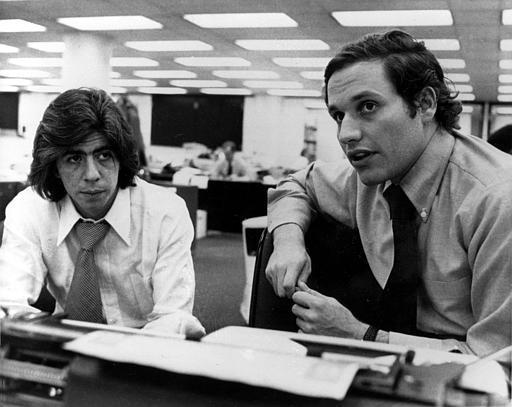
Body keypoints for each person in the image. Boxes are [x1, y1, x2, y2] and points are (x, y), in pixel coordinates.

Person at [265, 30, 512, 356]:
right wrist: (287, 241)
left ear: (424, 104)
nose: (346, 134)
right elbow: (294, 185)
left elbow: (498, 362)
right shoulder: (369, 178)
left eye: (367, 106)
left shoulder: (496, 201)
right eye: (338, 115)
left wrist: (361, 336)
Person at [0, 88, 205, 338]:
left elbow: (173, 315)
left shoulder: (165, 213)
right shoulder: (30, 209)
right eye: (75, 159)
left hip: (145, 346)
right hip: (65, 343)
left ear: (121, 158)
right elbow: (8, 303)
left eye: (104, 155)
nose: (92, 174)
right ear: (54, 166)